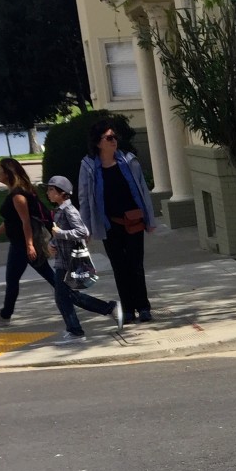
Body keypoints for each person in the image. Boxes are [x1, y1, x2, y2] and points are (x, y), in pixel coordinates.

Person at [78, 119, 157, 323]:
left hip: (133, 221)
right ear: (98, 142)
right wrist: (85, 228)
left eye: (115, 137)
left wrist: (150, 219)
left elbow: (142, 191)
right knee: (119, 267)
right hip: (109, 224)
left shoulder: (129, 161)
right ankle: (128, 309)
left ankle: (143, 307)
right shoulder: (89, 167)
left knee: (135, 265)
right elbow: (85, 199)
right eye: (109, 138)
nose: (114, 141)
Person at [45, 176, 124, 341]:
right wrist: (52, 243)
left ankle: (76, 331)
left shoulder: (69, 210)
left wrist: (60, 234)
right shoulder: (60, 210)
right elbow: (59, 233)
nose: (48, 193)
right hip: (63, 259)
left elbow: (82, 232)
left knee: (62, 297)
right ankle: (109, 309)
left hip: (70, 260)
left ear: (62, 193)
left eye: (51, 189)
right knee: (68, 295)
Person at [0, 158, 57, 326]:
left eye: (0, 170)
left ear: (8, 174)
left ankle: (5, 315)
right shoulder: (15, 193)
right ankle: (5, 314)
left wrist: (29, 246)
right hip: (21, 244)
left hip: (22, 246)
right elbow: (11, 219)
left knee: (14, 279)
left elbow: (25, 222)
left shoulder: (18, 195)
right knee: (49, 277)